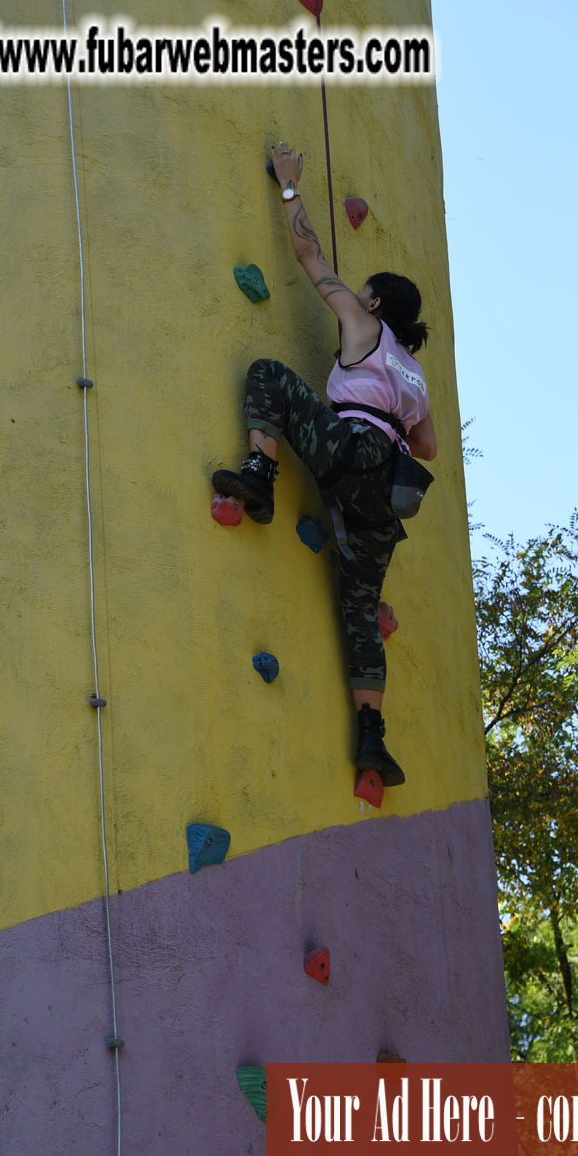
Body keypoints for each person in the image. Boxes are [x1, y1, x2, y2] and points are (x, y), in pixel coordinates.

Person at [212, 139, 437, 786]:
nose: (356, 298)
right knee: (360, 611)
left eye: (363, 294)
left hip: (351, 452)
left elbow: (309, 254)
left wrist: (289, 186)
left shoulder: (366, 328)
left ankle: (260, 477)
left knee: (268, 374)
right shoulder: (416, 377)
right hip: (387, 499)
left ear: (374, 305)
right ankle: (371, 736)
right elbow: (426, 448)